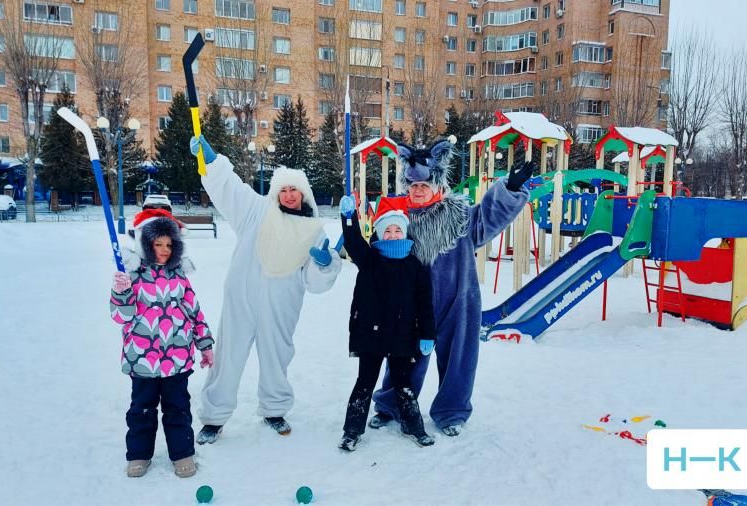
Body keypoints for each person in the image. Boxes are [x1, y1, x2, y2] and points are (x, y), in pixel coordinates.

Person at [370, 140, 534, 436]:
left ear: (437, 184)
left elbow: (487, 219)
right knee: (404, 357)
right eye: (413, 185)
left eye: (424, 185)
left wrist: (509, 188)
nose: (418, 190)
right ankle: (391, 405)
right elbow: (377, 253)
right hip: (411, 304)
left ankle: (451, 411)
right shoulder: (398, 219)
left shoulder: (459, 215)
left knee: (459, 358)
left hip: (458, 299)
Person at [188, 135, 342, 443]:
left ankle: (274, 409)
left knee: (277, 356)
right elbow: (230, 189)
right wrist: (213, 162)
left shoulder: (314, 231)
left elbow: (313, 283)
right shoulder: (257, 211)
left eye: (293, 190)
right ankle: (214, 417)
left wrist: (325, 265)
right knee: (228, 355)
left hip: (281, 304)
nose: (288, 195)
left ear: (304, 194)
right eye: (283, 189)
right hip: (241, 297)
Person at [110, 208, 214, 478]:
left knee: (178, 409)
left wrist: (205, 345)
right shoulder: (131, 276)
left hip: (177, 358)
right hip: (142, 359)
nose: (164, 250)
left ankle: (182, 454)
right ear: (146, 243)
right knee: (142, 410)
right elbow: (121, 317)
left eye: (169, 244)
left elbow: (194, 311)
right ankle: (139, 455)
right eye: (158, 244)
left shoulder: (179, 276)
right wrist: (121, 293)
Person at [337, 196, 436, 451]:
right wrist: (349, 219)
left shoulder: (415, 266)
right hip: (371, 335)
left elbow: (425, 303)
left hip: (403, 336)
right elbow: (354, 242)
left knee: (404, 385)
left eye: (397, 230)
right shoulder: (370, 260)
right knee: (364, 383)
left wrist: (427, 334)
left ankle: (414, 427)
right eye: (387, 230)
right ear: (380, 233)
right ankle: (351, 431)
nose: (393, 235)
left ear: (404, 232)